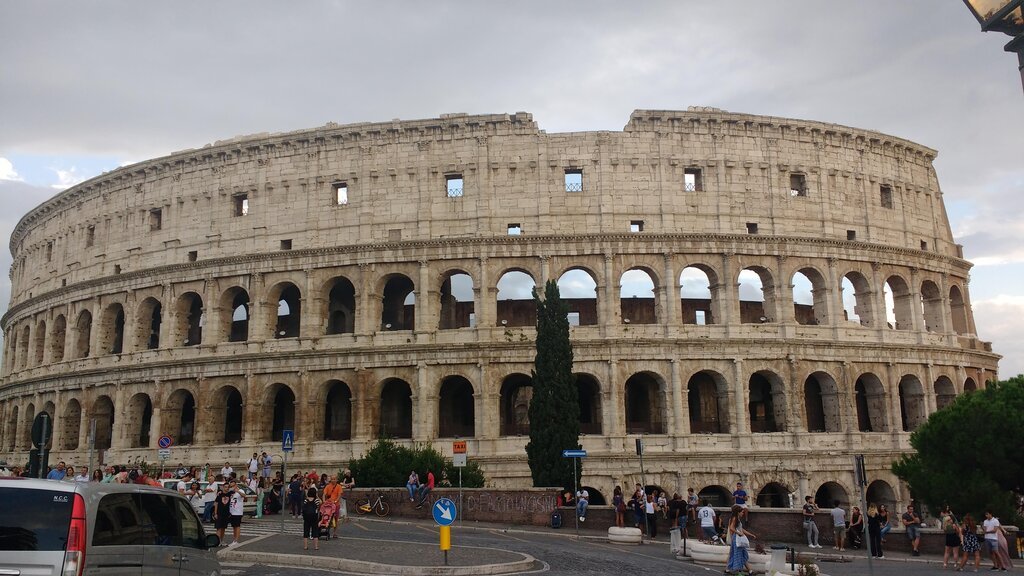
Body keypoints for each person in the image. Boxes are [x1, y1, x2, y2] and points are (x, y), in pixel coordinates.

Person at [727, 504, 758, 574]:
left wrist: (750, 534)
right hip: (737, 539)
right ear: (738, 512)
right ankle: (739, 571)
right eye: (742, 512)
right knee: (739, 554)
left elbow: (741, 529)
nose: (743, 513)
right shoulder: (735, 518)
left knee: (741, 554)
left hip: (737, 538)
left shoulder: (736, 518)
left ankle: (749, 571)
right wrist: (738, 533)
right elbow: (731, 528)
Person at [301, 487, 321, 551]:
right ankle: (316, 547)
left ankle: (305, 546)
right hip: (314, 518)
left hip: (306, 518)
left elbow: (303, 509)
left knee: (306, 532)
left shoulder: (305, 500)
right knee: (315, 532)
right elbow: (320, 503)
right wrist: (317, 496)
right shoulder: (316, 500)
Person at [226, 479, 244, 545]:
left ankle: (236, 540)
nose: (232, 487)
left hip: (238, 512)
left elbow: (244, 495)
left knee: (237, 526)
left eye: (233, 486)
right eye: (231, 486)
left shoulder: (240, 490)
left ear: (236, 485)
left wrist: (238, 491)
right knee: (233, 526)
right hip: (232, 512)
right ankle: (234, 540)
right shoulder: (231, 493)